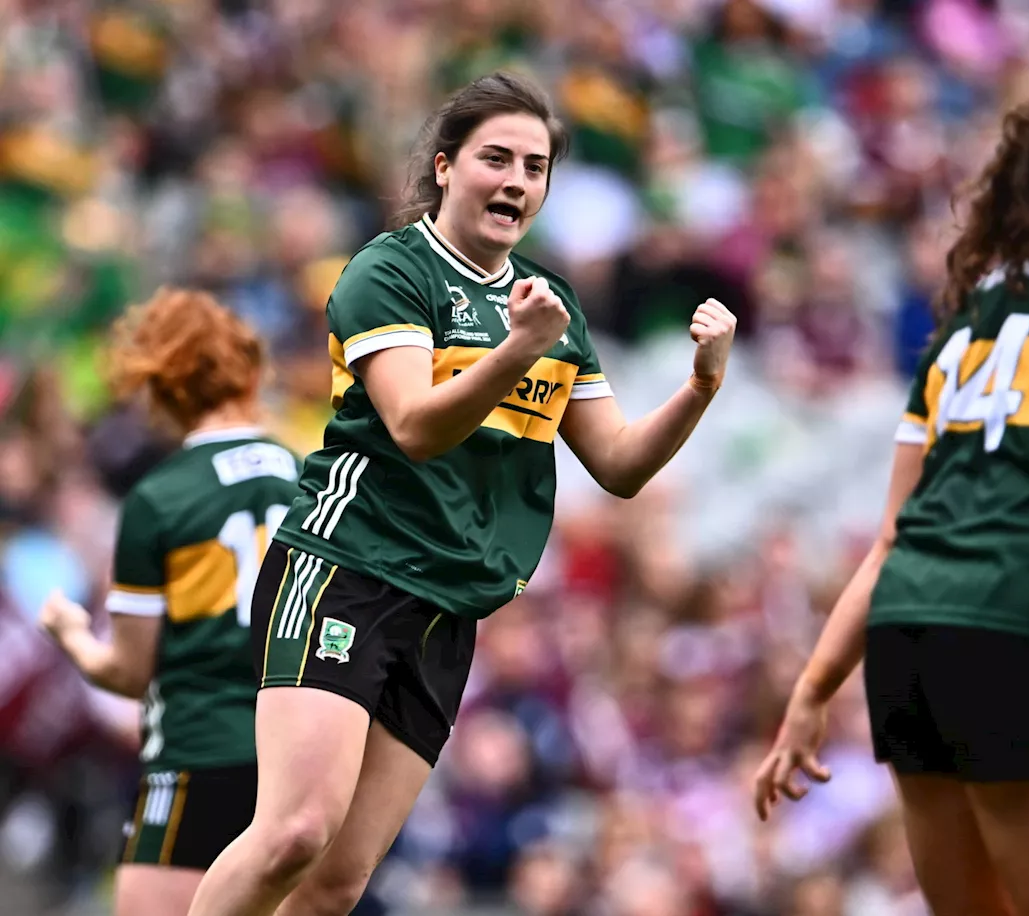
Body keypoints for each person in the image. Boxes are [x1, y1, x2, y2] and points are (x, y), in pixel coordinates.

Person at [187, 70, 736, 916]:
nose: (517, 179)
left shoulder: (553, 308)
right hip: (347, 567)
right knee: (296, 831)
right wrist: (518, 349)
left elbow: (620, 466)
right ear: (445, 167)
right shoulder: (392, 270)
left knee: (336, 884)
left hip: (449, 607)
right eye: (497, 158)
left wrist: (700, 385)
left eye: (536, 166)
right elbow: (413, 426)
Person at [754, 75, 1029, 916]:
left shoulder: (968, 318)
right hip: (1021, 628)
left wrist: (813, 691)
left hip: (907, 645)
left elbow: (891, 539)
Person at [38, 288, 301, 916]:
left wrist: (70, 633)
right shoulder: (308, 473)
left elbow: (129, 673)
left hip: (199, 749)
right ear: (249, 369)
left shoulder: (162, 498)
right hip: (300, 752)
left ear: (162, 384)